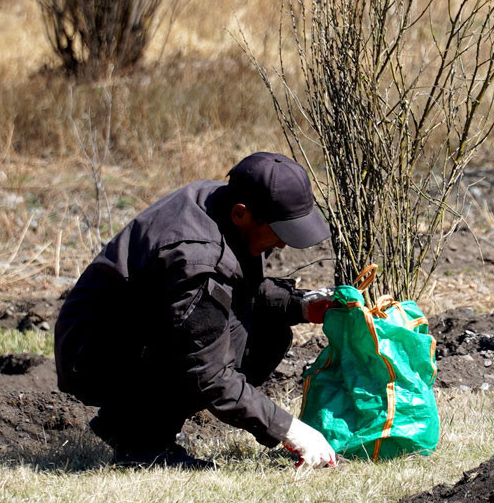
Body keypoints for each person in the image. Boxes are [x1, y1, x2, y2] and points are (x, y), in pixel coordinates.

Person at [54, 152, 339, 468]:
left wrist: (300, 305)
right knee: (208, 352)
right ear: (242, 214)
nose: (284, 245)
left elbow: (236, 285)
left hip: (128, 332)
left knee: (268, 333)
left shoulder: (219, 201)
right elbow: (210, 374)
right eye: (280, 232)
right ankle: (144, 446)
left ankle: (129, 425)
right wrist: (290, 430)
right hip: (94, 356)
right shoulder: (196, 258)